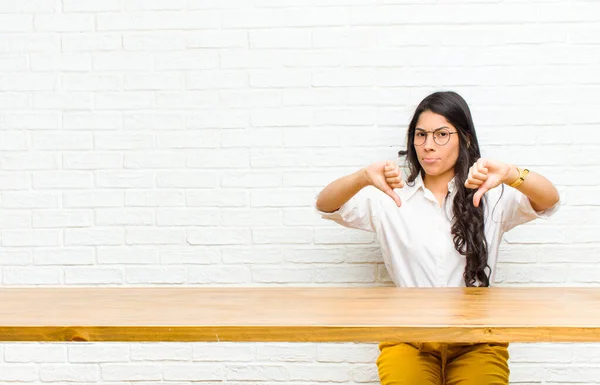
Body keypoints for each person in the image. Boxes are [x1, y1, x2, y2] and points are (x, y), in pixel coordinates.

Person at [314, 91, 560, 385]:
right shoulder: (392, 198)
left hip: (477, 340)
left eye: (441, 134)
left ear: (465, 138)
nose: (428, 146)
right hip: (409, 339)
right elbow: (325, 205)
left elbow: (549, 200)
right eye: (421, 135)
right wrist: (363, 177)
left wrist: (510, 173)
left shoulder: (491, 196)